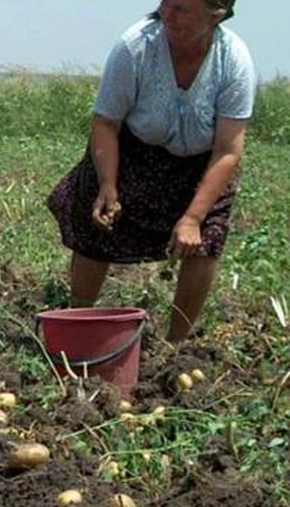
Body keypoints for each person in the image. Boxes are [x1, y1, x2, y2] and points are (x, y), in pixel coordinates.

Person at [47, 0, 254, 342]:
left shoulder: (233, 60)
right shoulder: (136, 46)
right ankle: (76, 322)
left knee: (206, 239)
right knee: (97, 224)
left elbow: (228, 151)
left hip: (201, 166)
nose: (167, 14)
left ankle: (175, 347)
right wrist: (108, 185)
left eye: (181, 8)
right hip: (132, 152)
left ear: (215, 13)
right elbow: (105, 123)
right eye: (165, 3)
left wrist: (192, 218)